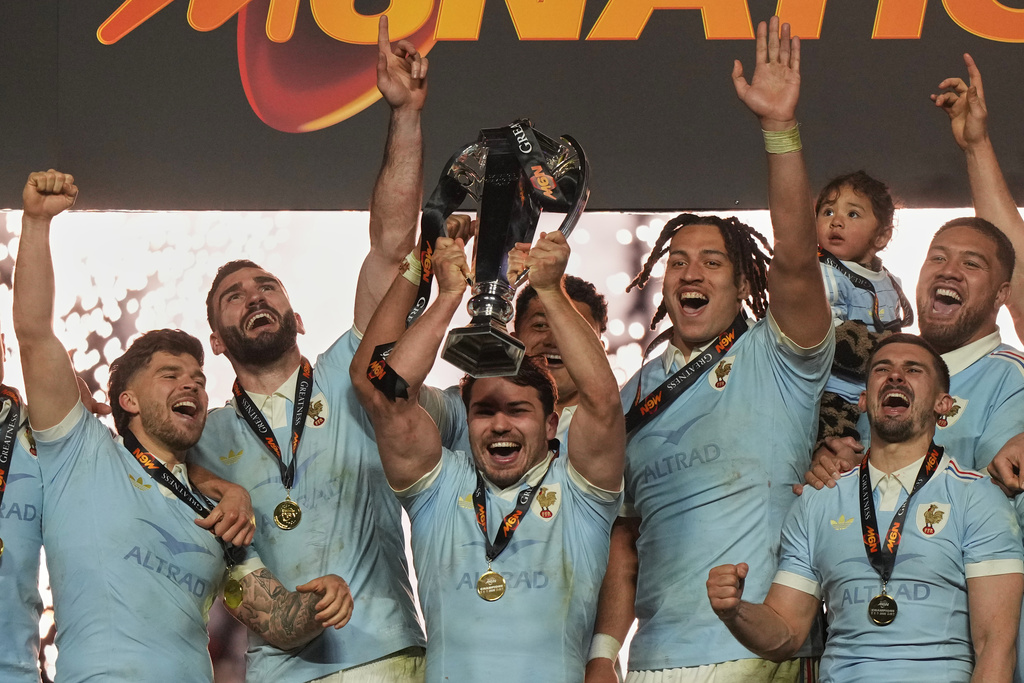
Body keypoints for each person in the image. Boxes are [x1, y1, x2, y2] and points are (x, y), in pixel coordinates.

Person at [15, 169, 353, 681]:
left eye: (198, 377)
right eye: (170, 375)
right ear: (127, 399)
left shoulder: (219, 518)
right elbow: (36, 333)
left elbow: (278, 618)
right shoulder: (80, 453)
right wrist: (37, 222)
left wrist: (320, 604)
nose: (192, 385)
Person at [586, 18, 834, 682]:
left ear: (746, 280)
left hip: (760, 652)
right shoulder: (633, 393)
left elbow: (798, 258)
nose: (691, 274)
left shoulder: (780, 357)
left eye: (713, 262)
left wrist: (779, 130)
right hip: (656, 660)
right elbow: (626, 540)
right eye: (679, 262)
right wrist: (606, 649)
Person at [187, 15, 429, 682]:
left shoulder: (353, 375)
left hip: (386, 652)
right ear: (215, 338)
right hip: (275, 669)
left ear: (296, 315)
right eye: (233, 295)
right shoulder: (202, 437)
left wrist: (405, 116)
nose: (252, 295)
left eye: (265, 286)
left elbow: (389, 246)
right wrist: (207, 479)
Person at [351, 230, 624, 682]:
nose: (500, 424)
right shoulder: (438, 486)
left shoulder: (580, 492)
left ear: (551, 425)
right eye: (484, 411)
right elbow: (389, 393)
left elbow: (603, 401)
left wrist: (552, 291)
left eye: (518, 411)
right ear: (466, 416)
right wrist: (448, 296)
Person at [708, 334, 1024, 682]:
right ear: (862, 400)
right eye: (882, 369)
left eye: (913, 370)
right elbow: (785, 634)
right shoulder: (818, 499)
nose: (895, 377)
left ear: (943, 404)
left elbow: (995, 648)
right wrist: (735, 612)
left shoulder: (977, 497)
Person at [814, 171, 911, 446]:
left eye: (852, 214)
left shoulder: (890, 281)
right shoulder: (822, 274)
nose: (836, 221)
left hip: (876, 393)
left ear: (881, 236)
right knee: (841, 455)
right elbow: (829, 338)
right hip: (833, 395)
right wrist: (892, 349)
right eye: (827, 211)